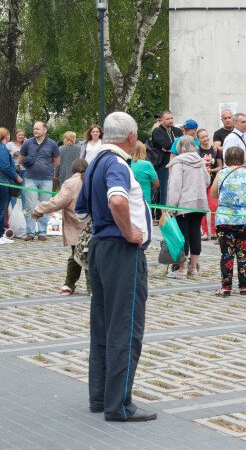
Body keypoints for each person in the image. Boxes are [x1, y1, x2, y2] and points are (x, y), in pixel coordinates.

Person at [75, 111, 155, 422]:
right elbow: (118, 200)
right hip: (120, 250)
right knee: (125, 325)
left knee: (103, 323)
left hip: (100, 246)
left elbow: (81, 208)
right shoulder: (117, 163)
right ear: (131, 137)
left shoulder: (96, 160)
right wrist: (129, 232)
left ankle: (100, 396)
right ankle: (119, 404)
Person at [211, 146, 246, 295]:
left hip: (224, 219)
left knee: (226, 254)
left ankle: (226, 287)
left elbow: (213, 194)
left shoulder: (221, 173)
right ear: (242, 159)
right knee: (244, 254)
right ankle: (243, 286)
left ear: (226, 159)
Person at [33, 159, 89, 295]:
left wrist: (40, 208)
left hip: (76, 222)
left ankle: (77, 286)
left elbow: (58, 201)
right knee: (84, 253)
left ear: (73, 169)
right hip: (91, 222)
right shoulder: (93, 180)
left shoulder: (71, 182)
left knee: (81, 255)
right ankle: (72, 285)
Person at [166, 136, 210, 278]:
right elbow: (207, 180)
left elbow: (175, 187)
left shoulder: (178, 162)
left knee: (182, 235)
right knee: (195, 233)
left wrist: (171, 208)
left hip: (184, 204)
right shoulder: (200, 161)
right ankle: (194, 268)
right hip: (199, 203)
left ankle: (183, 269)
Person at [19, 121, 61, 241]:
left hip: (46, 180)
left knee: (45, 206)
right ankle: (30, 232)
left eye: (37, 129)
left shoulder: (52, 144)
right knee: (30, 206)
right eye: (34, 129)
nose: (35, 131)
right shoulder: (27, 143)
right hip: (30, 178)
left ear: (45, 130)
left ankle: (42, 232)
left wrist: (47, 168)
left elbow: (57, 161)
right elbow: (21, 160)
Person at [150, 110, 183, 213]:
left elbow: (182, 144)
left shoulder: (177, 131)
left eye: (171, 118)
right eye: (167, 119)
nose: (170, 121)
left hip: (177, 163)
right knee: (164, 191)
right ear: (161, 120)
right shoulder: (158, 131)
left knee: (176, 189)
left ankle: (175, 212)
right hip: (163, 165)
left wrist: (170, 148)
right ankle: (162, 215)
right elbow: (166, 145)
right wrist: (173, 146)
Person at [197, 129, 223, 240]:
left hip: (212, 182)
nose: (205, 139)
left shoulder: (215, 150)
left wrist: (211, 170)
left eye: (206, 136)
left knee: (214, 206)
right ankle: (204, 232)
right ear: (198, 139)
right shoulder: (196, 151)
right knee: (202, 207)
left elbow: (220, 166)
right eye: (202, 137)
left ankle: (214, 231)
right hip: (201, 182)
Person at [0, 128, 22, 231]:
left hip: (4, 181)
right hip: (4, 181)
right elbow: (5, 167)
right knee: (2, 208)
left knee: (3, 208)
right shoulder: (2, 149)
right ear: (6, 136)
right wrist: (16, 176)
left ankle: (1, 233)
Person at [7, 129, 26, 210]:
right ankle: (14, 209)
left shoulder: (25, 144)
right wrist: (13, 154)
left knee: (24, 191)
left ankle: (24, 210)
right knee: (14, 190)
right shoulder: (10, 144)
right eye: (19, 135)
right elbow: (5, 156)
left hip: (24, 170)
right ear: (16, 135)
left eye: (22, 135)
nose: (21, 136)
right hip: (14, 170)